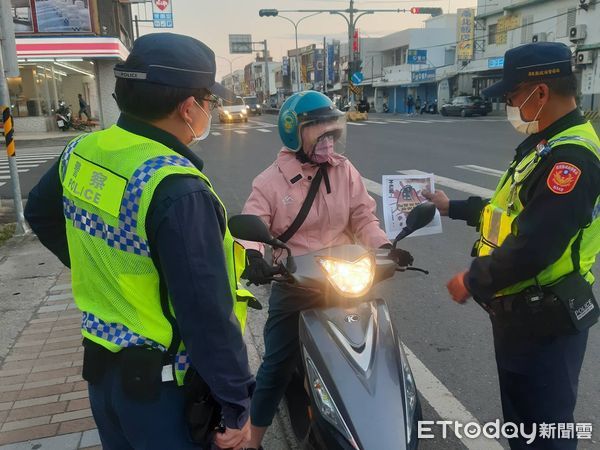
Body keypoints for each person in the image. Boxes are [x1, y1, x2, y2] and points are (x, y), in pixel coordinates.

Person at [25, 33, 255, 450]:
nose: (210, 110)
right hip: (166, 392)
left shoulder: (82, 149)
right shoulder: (177, 188)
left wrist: (98, 267)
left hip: (104, 380)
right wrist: (236, 401)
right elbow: (205, 313)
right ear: (189, 108)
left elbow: (39, 213)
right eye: (210, 101)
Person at [424, 42, 599, 450]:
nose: (509, 104)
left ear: (540, 93)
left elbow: (536, 244)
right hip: (522, 316)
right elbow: (513, 214)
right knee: (523, 428)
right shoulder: (546, 145)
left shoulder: (569, 159)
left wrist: (472, 279)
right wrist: (454, 207)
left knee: (546, 432)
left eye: (512, 95)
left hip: (547, 321)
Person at [239, 91, 413, 449]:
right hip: (296, 282)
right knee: (277, 363)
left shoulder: (344, 170)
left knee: (380, 349)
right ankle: (252, 438)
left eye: (332, 130)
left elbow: (363, 215)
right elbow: (253, 222)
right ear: (294, 132)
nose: (328, 138)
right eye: (319, 130)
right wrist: (253, 257)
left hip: (346, 275)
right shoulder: (269, 181)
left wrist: (382, 247)